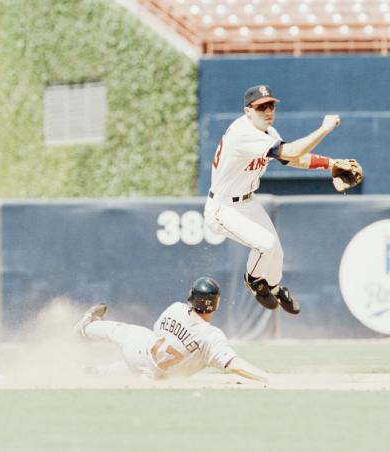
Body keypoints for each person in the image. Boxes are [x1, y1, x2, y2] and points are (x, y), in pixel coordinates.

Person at [204, 84, 356, 315]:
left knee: (277, 252)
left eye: (271, 106)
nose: (268, 111)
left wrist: (331, 163)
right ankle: (254, 280)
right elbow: (292, 152)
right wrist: (324, 129)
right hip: (222, 207)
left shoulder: (268, 132)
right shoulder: (241, 133)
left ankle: (273, 288)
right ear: (248, 111)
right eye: (261, 107)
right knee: (266, 245)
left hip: (246, 201)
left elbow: (294, 160)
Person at [74, 276, 269, 383]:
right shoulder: (212, 337)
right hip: (154, 377)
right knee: (128, 370)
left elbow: (158, 331)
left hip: (141, 351)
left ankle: (86, 328)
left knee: (119, 331)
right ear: (216, 304)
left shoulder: (176, 308)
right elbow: (234, 364)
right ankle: (90, 372)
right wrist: (265, 377)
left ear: (192, 298)